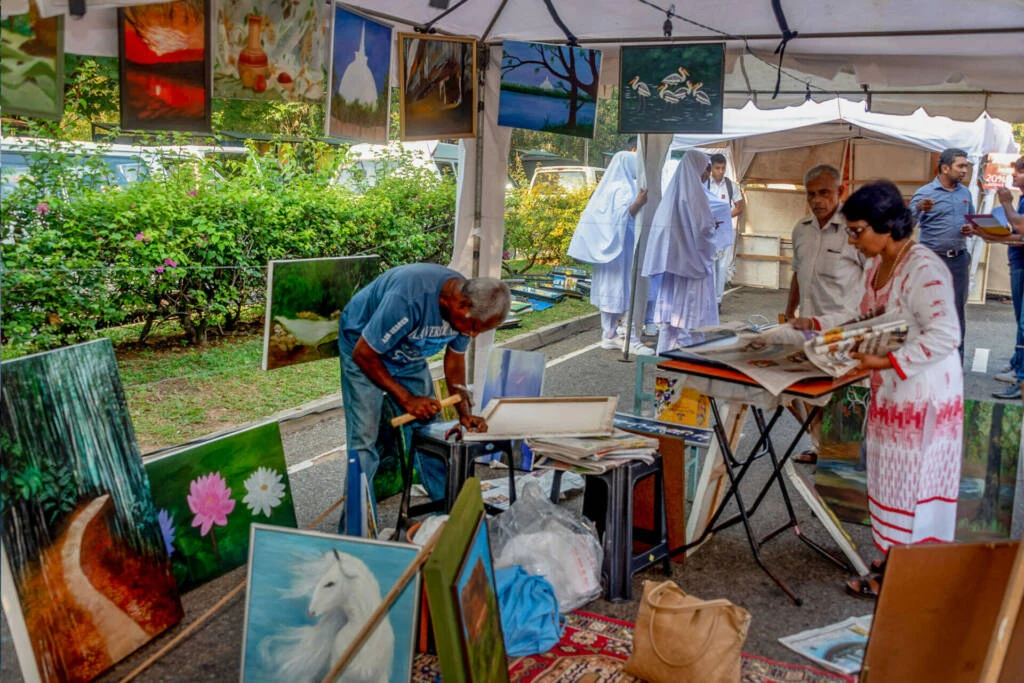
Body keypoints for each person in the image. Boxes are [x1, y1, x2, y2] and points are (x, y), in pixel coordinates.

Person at [792, 181, 963, 599]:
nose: (853, 239)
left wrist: (883, 361)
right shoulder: (877, 263)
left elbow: (947, 334)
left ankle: (907, 574)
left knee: (915, 483)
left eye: (857, 230)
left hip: (924, 395)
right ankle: (893, 559)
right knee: (889, 480)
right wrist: (814, 327)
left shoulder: (924, 267)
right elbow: (862, 314)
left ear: (888, 226)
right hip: (892, 390)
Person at [337, 263, 511, 525]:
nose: (472, 334)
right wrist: (406, 399)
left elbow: (454, 361)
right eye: (474, 327)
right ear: (462, 304)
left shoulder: (470, 304)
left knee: (430, 432)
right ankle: (355, 529)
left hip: (408, 355)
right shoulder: (408, 298)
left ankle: (450, 517)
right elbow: (364, 354)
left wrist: (464, 412)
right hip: (362, 347)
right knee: (364, 439)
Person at [785, 164, 867, 463]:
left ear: (840, 192)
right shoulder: (801, 229)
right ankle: (821, 448)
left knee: (844, 397)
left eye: (824, 193)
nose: (817, 200)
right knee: (805, 394)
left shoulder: (855, 230)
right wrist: (787, 310)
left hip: (844, 329)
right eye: (811, 194)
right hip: (808, 326)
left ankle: (841, 461)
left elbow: (872, 277)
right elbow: (797, 272)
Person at [567, 150, 653, 356]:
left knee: (613, 289)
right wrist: (638, 204)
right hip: (619, 250)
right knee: (622, 289)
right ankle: (622, 336)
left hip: (612, 249)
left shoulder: (608, 188)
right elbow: (623, 216)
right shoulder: (621, 188)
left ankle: (610, 334)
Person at [642, 150, 719, 354]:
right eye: (705, 170)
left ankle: (664, 354)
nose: (706, 175)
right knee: (690, 315)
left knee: (671, 315)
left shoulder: (672, 192)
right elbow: (703, 228)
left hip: (673, 265)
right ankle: (690, 358)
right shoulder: (696, 192)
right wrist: (714, 227)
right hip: (692, 264)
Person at [964, 156, 1024, 399]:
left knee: (1023, 325)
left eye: (1017, 174)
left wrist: (1007, 204)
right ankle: (1018, 367)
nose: (1013, 178)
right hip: (1018, 262)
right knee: (1020, 321)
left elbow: (1020, 228)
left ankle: (1020, 380)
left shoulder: (1013, 200)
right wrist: (987, 234)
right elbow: (1017, 235)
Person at [909, 148, 975, 363]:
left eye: (966, 166)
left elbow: (972, 221)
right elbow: (906, 225)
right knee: (929, 309)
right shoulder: (925, 193)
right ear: (945, 168)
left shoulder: (965, 193)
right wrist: (918, 208)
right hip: (932, 262)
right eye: (961, 166)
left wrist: (969, 228)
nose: (965, 171)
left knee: (956, 311)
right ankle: (929, 359)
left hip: (958, 259)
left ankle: (955, 362)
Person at [705, 153, 745, 308]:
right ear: (711, 168)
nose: (720, 171)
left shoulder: (730, 185)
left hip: (725, 230)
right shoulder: (705, 184)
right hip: (707, 230)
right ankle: (706, 300)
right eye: (717, 168)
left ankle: (717, 301)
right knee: (708, 265)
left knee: (722, 266)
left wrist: (724, 216)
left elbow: (739, 208)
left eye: (723, 168)